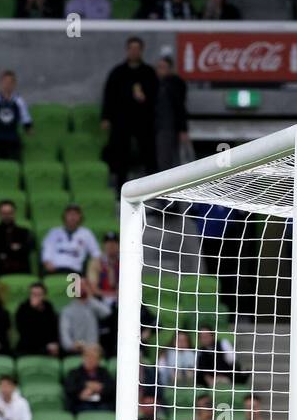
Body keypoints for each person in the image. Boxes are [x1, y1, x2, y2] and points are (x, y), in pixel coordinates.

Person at [100, 37, 158, 185]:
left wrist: (145, 98)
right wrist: (106, 117)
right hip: (121, 119)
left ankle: (152, 188)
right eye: (131, 48)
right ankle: (121, 188)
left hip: (144, 120)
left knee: (148, 153)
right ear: (127, 50)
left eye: (137, 49)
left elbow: (156, 97)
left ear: (142, 51)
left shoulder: (148, 72)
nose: (134, 52)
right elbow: (109, 96)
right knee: (120, 154)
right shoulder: (118, 72)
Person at [0, 70, 32, 161]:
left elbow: (25, 117)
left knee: (15, 166)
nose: (7, 85)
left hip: (13, 139)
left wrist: (28, 128)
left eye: (10, 82)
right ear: (1, 83)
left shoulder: (19, 100)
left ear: (14, 84)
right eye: (5, 82)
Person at [152, 55, 190, 170]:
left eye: (163, 67)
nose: (160, 70)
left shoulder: (174, 84)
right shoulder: (156, 83)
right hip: (158, 126)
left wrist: (183, 129)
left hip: (168, 127)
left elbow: (180, 107)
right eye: (159, 67)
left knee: (168, 158)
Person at [41, 204, 101, 276]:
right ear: (64, 216)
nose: (72, 217)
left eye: (75, 214)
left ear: (80, 217)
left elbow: (96, 254)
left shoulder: (86, 233)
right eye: (69, 214)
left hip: (75, 271)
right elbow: (46, 252)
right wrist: (47, 263)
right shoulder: (54, 232)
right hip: (54, 270)